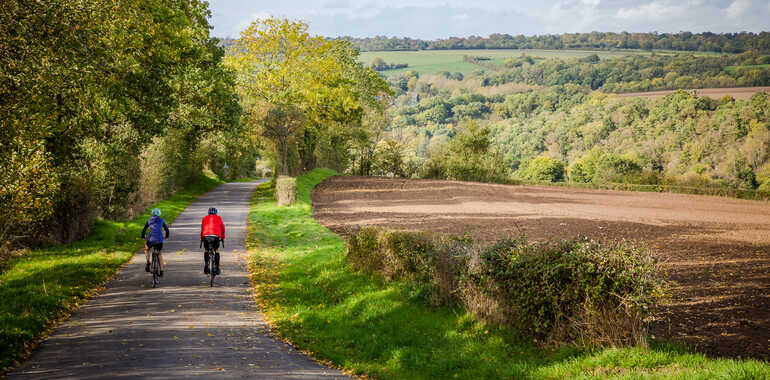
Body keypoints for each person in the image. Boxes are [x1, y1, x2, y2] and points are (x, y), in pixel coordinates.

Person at [141, 208, 170, 276]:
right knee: (159, 254)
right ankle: (162, 271)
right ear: (159, 214)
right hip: (159, 240)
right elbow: (167, 230)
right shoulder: (161, 220)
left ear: (152, 214)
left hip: (150, 240)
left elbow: (144, 230)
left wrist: (143, 236)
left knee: (146, 249)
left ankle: (148, 262)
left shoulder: (149, 220)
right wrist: (166, 236)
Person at [200, 207, 225, 275]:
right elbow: (222, 228)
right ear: (216, 213)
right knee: (216, 250)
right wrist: (222, 238)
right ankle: (217, 268)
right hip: (216, 237)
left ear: (208, 212)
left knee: (206, 250)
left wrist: (202, 238)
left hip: (206, 236)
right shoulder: (219, 218)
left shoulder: (204, 218)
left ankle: (206, 266)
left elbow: (202, 229)